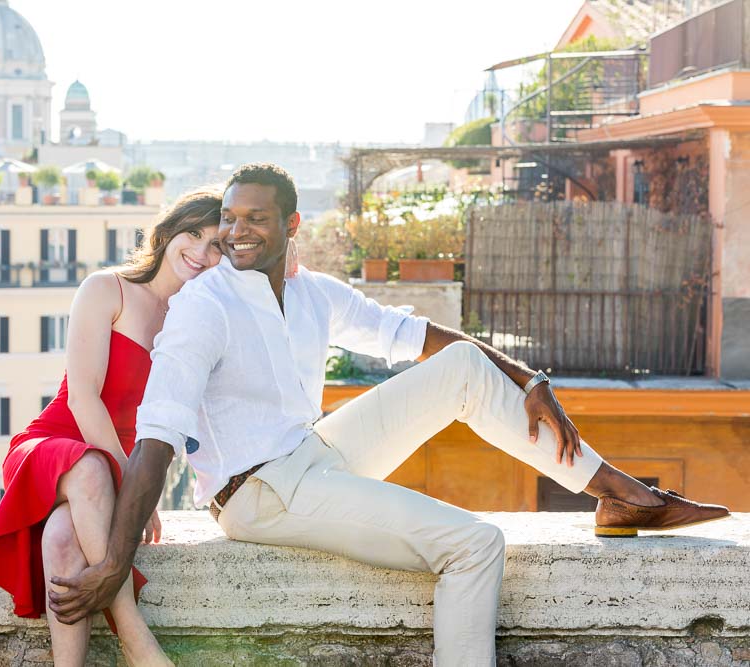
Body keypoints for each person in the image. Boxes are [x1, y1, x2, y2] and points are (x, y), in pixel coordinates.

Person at [45, 164, 731, 666]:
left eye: (254, 218)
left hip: (310, 456)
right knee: (474, 544)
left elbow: (414, 335)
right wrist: (115, 561)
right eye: (228, 217)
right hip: (257, 493)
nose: (235, 231)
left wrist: (526, 375)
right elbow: (160, 433)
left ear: (291, 225)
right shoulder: (207, 305)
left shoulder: (310, 292)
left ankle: (619, 492)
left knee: (465, 369)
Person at [0, 187, 224, 667]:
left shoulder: (196, 320)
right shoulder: (107, 288)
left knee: (63, 543)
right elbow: (84, 399)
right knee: (87, 468)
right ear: (167, 232)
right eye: (193, 233)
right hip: (55, 446)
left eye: (216, 245)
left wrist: (137, 486)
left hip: (112, 471)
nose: (201, 252)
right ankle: (133, 635)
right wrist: (133, 484)